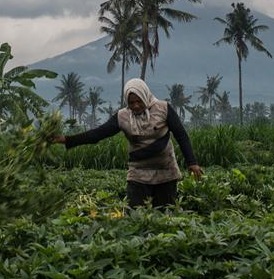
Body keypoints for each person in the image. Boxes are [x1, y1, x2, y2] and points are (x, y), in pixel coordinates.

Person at [51, 78, 203, 209]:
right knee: (135, 216)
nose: (136, 106)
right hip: (138, 173)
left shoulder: (163, 108)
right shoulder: (122, 116)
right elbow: (97, 134)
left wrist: (192, 162)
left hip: (166, 171)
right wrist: (68, 139)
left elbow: (181, 135)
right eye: (131, 102)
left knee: (165, 216)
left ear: (145, 96)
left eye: (139, 101)